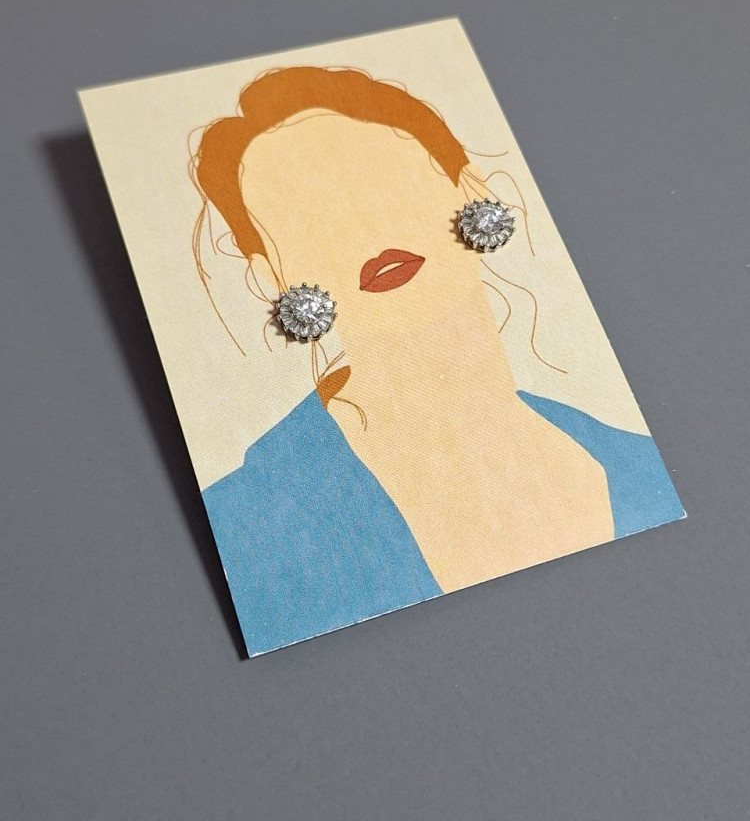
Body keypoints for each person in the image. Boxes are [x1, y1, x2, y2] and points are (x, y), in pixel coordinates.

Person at [193, 67, 683, 654]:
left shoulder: (634, 463)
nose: (362, 225)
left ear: (469, 191)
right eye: (309, 211)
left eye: (382, 179)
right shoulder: (245, 522)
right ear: (271, 275)